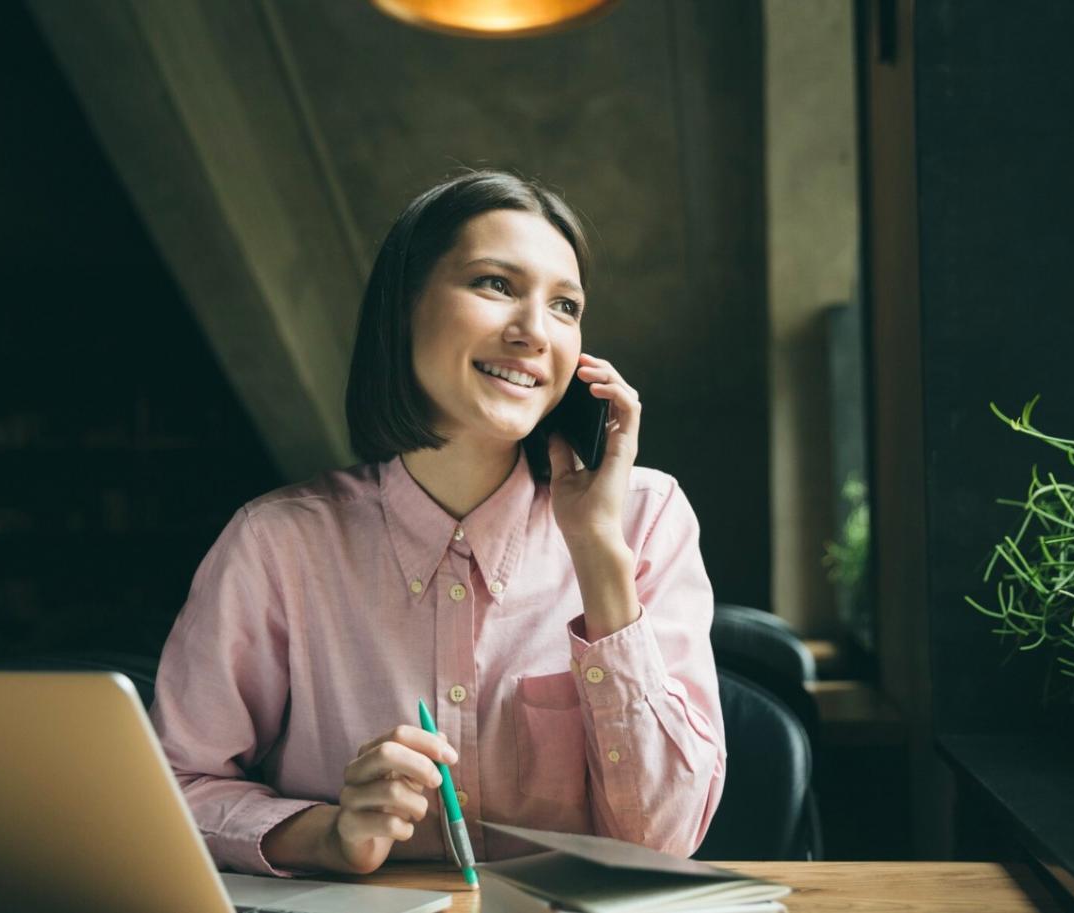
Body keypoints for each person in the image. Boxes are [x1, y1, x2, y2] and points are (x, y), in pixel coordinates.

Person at [150, 170, 724, 877]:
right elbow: (174, 788)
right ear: (403, 308)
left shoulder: (647, 516)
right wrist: (324, 834)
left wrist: (599, 553)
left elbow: (661, 842)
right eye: (494, 284)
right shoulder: (279, 542)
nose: (533, 332)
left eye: (565, 305)